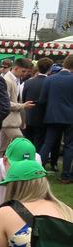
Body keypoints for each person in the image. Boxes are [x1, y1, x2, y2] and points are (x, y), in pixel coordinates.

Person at [39, 54, 73, 184]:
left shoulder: (50, 79)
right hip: (70, 118)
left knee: (47, 144)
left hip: (53, 116)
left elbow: (42, 100)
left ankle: (38, 171)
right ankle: (65, 176)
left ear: (64, 63)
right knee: (69, 146)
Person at [0, 57, 35, 157]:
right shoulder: (7, 80)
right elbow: (5, 103)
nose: (25, 73)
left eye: (27, 71)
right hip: (8, 121)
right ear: (16, 68)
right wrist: (23, 106)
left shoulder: (15, 80)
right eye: (23, 71)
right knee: (21, 144)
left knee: (3, 149)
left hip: (11, 120)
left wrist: (23, 119)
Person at [22, 58, 53, 153]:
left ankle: (26, 161)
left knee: (27, 143)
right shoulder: (50, 82)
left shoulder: (28, 82)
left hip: (28, 117)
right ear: (50, 69)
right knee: (38, 144)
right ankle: (35, 163)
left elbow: (23, 98)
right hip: (42, 118)